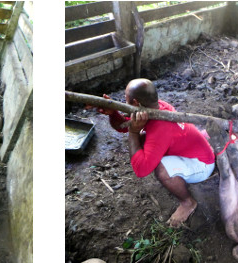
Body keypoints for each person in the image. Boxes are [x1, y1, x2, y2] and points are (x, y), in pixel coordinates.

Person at [89, 79, 216, 227]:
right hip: (192, 151)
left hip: (202, 164)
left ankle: (188, 202)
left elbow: (141, 169)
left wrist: (134, 131)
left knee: (162, 169)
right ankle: (178, 172)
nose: (124, 102)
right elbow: (123, 125)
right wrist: (113, 113)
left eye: (126, 99)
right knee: (140, 139)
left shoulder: (160, 128)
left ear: (135, 103)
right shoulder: (157, 107)